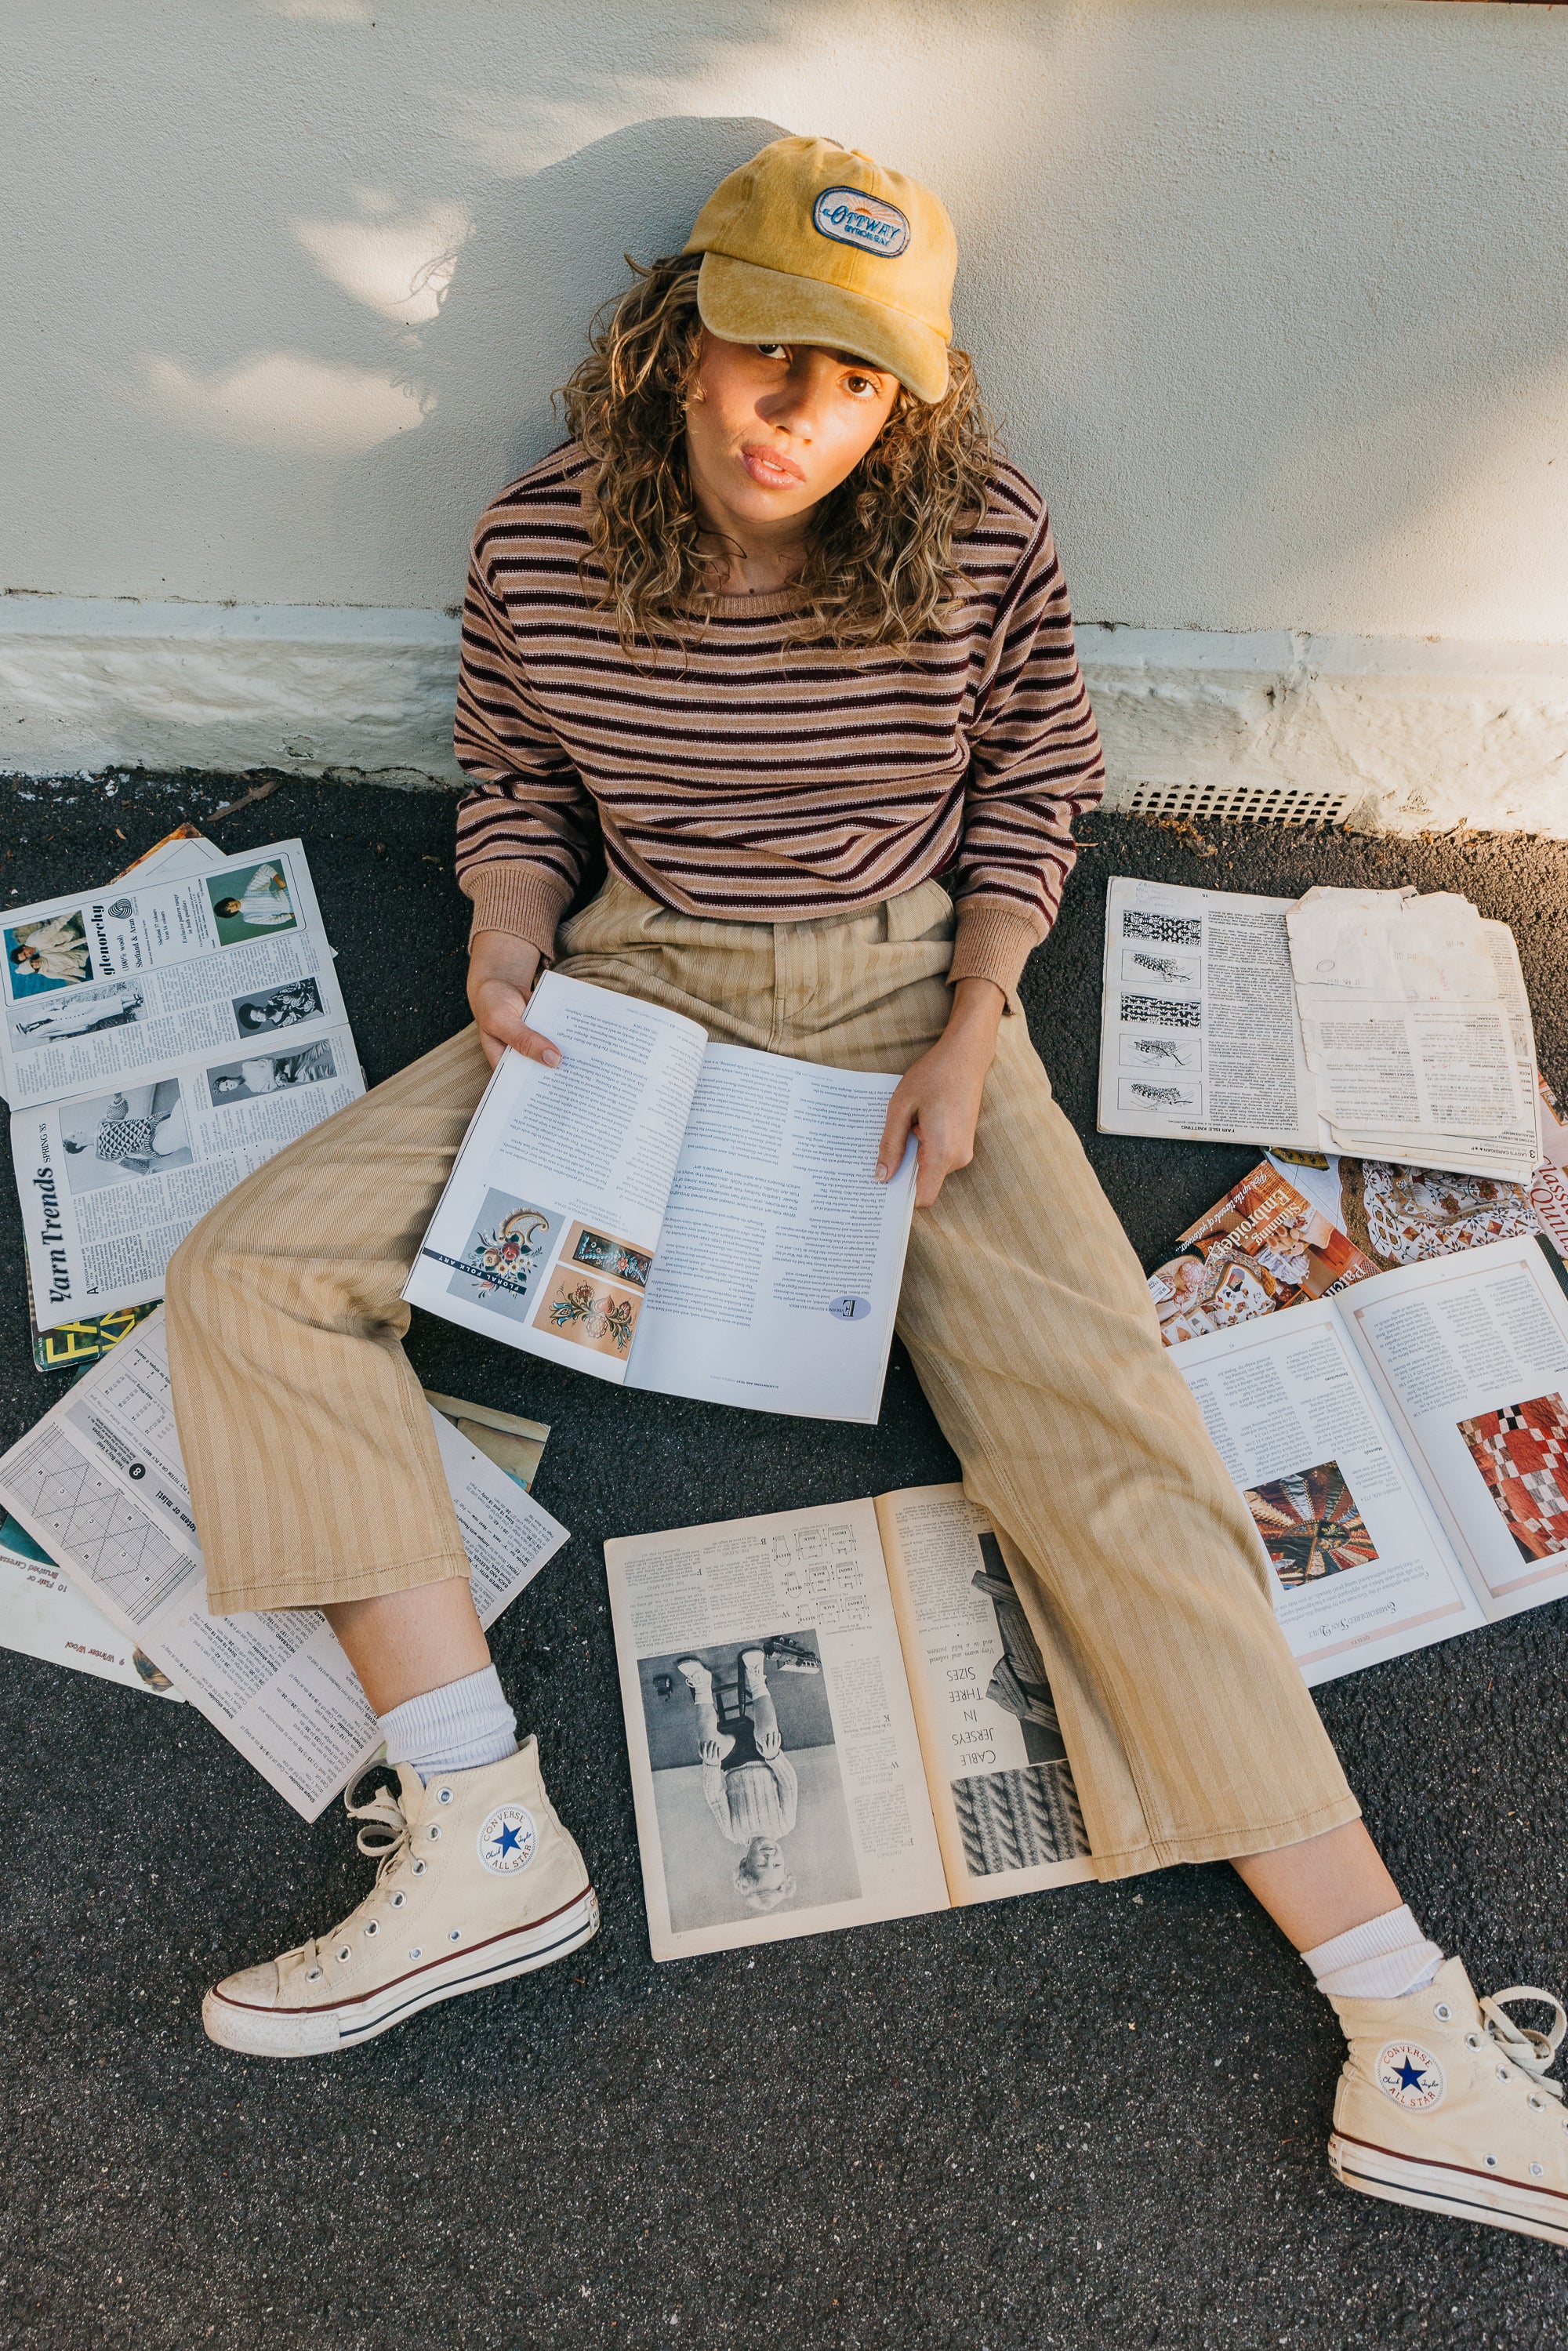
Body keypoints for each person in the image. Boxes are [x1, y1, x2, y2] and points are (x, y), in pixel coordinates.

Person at [165, 136, 1568, 2243]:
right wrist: (499, 926)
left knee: (1114, 1446)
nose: (801, 402)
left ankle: (1414, 2035)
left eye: (856, 371)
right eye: (768, 347)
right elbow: (513, 773)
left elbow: (1036, 781)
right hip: (628, 984)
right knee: (247, 1271)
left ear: (913, 392)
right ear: (684, 328)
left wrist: (978, 1005)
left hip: (909, 984)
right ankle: (477, 1820)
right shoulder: (544, 533)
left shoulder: (983, 532)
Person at [677, 1649, 800, 1914]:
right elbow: (789, 1783)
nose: (770, 1857)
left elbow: (715, 1796)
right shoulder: (784, 1824)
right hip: (763, 1754)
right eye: (777, 1865)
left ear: (745, 1863)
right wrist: (774, 1756)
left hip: (731, 1758)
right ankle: (756, 1678)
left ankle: (702, 1685)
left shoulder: (733, 1833)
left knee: (707, 1743)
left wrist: (711, 1765)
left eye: (761, 1865)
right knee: (769, 1734)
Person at [9, 914, 89, 986]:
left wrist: (72, 910)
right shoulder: (40, 953)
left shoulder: (36, 941)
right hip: (71, 948)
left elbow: (57, 925)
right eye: (27, 957)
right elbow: (67, 974)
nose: (29, 955)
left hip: (72, 934)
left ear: (23, 948)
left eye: (25, 953)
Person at [212, 863, 292, 927]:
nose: (232, 907)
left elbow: (264, 869)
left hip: (289, 892)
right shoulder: (248, 918)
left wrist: (280, 882)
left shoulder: (250, 891)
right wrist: (292, 915)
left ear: (229, 900)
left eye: (228, 905)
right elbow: (273, 921)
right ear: (231, 914)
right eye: (229, 910)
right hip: (291, 909)